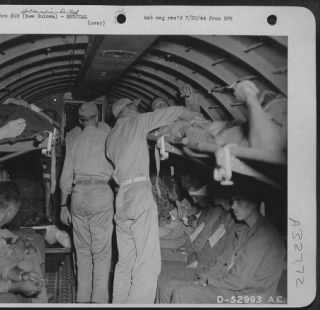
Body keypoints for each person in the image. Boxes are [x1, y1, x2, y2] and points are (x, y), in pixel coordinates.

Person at [105, 97, 204, 303]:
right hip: (139, 192)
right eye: (134, 105)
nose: (138, 108)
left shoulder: (111, 136)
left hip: (121, 197)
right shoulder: (137, 122)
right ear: (126, 109)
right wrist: (199, 117)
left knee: (125, 263)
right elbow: (174, 111)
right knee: (147, 263)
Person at [156, 185, 286, 304]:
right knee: (167, 286)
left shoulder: (264, 235)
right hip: (230, 285)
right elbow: (224, 262)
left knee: (182, 293)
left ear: (255, 204)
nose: (233, 206)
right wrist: (205, 277)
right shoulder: (246, 231)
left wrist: (207, 281)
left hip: (248, 297)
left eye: (239, 201)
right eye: (233, 201)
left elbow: (238, 281)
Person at [59, 101, 114, 303]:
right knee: (100, 253)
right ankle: (99, 302)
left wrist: (63, 206)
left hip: (78, 195)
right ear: (97, 117)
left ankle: (82, 300)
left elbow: (65, 178)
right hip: (100, 193)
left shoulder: (75, 141)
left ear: (80, 121)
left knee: (82, 251)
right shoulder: (108, 138)